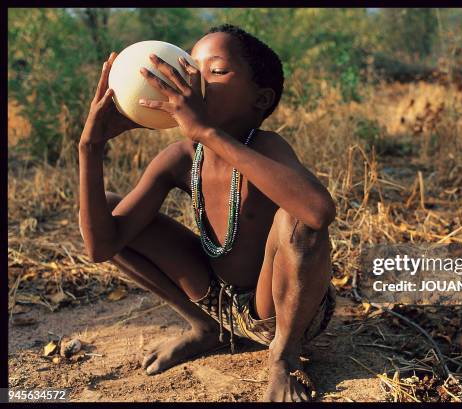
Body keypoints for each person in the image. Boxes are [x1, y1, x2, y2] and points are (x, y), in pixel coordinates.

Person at [78, 24, 336, 402]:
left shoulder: (266, 146)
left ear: (260, 99)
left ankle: (283, 357)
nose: (195, 80)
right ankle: (206, 329)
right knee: (112, 205)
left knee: (295, 219)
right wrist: (90, 147)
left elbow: (318, 213)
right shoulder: (180, 159)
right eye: (190, 67)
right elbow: (101, 247)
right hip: (217, 301)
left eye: (216, 71)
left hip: (278, 311)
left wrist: (205, 131)